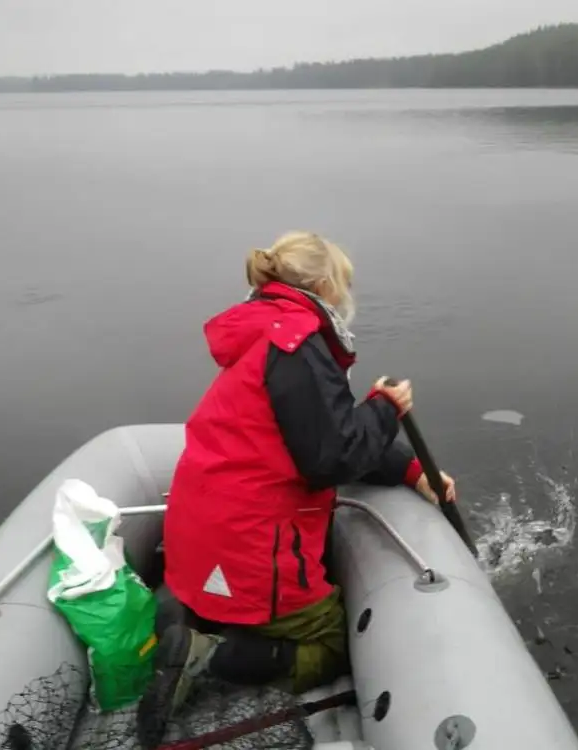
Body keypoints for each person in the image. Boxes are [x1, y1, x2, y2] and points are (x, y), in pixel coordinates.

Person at [137, 231, 456, 748]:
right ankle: (212, 657)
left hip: (199, 540)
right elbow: (331, 456)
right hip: (252, 548)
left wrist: (408, 470)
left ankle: (188, 618)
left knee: (232, 594)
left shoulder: (259, 335)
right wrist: (385, 408)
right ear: (327, 285)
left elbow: (316, 432)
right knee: (333, 643)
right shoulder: (299, 345)